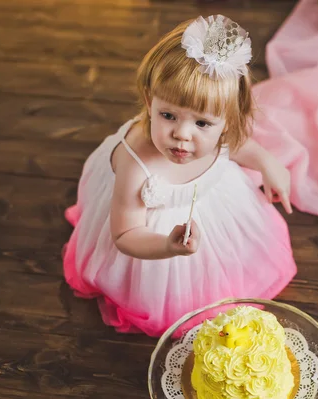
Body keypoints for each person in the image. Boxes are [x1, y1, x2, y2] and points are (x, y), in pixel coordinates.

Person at [62, 14, 297, 337]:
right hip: (152, 237)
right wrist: (167, 247)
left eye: (202, 123)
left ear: (227, 121)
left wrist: (268, 162)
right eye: (168, 115)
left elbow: (237, 146)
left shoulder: (223, 131)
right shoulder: (136, 164)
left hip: (213, 207)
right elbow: (125, 234)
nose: (182, 135)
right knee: (173, 290)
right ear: (149, 102)